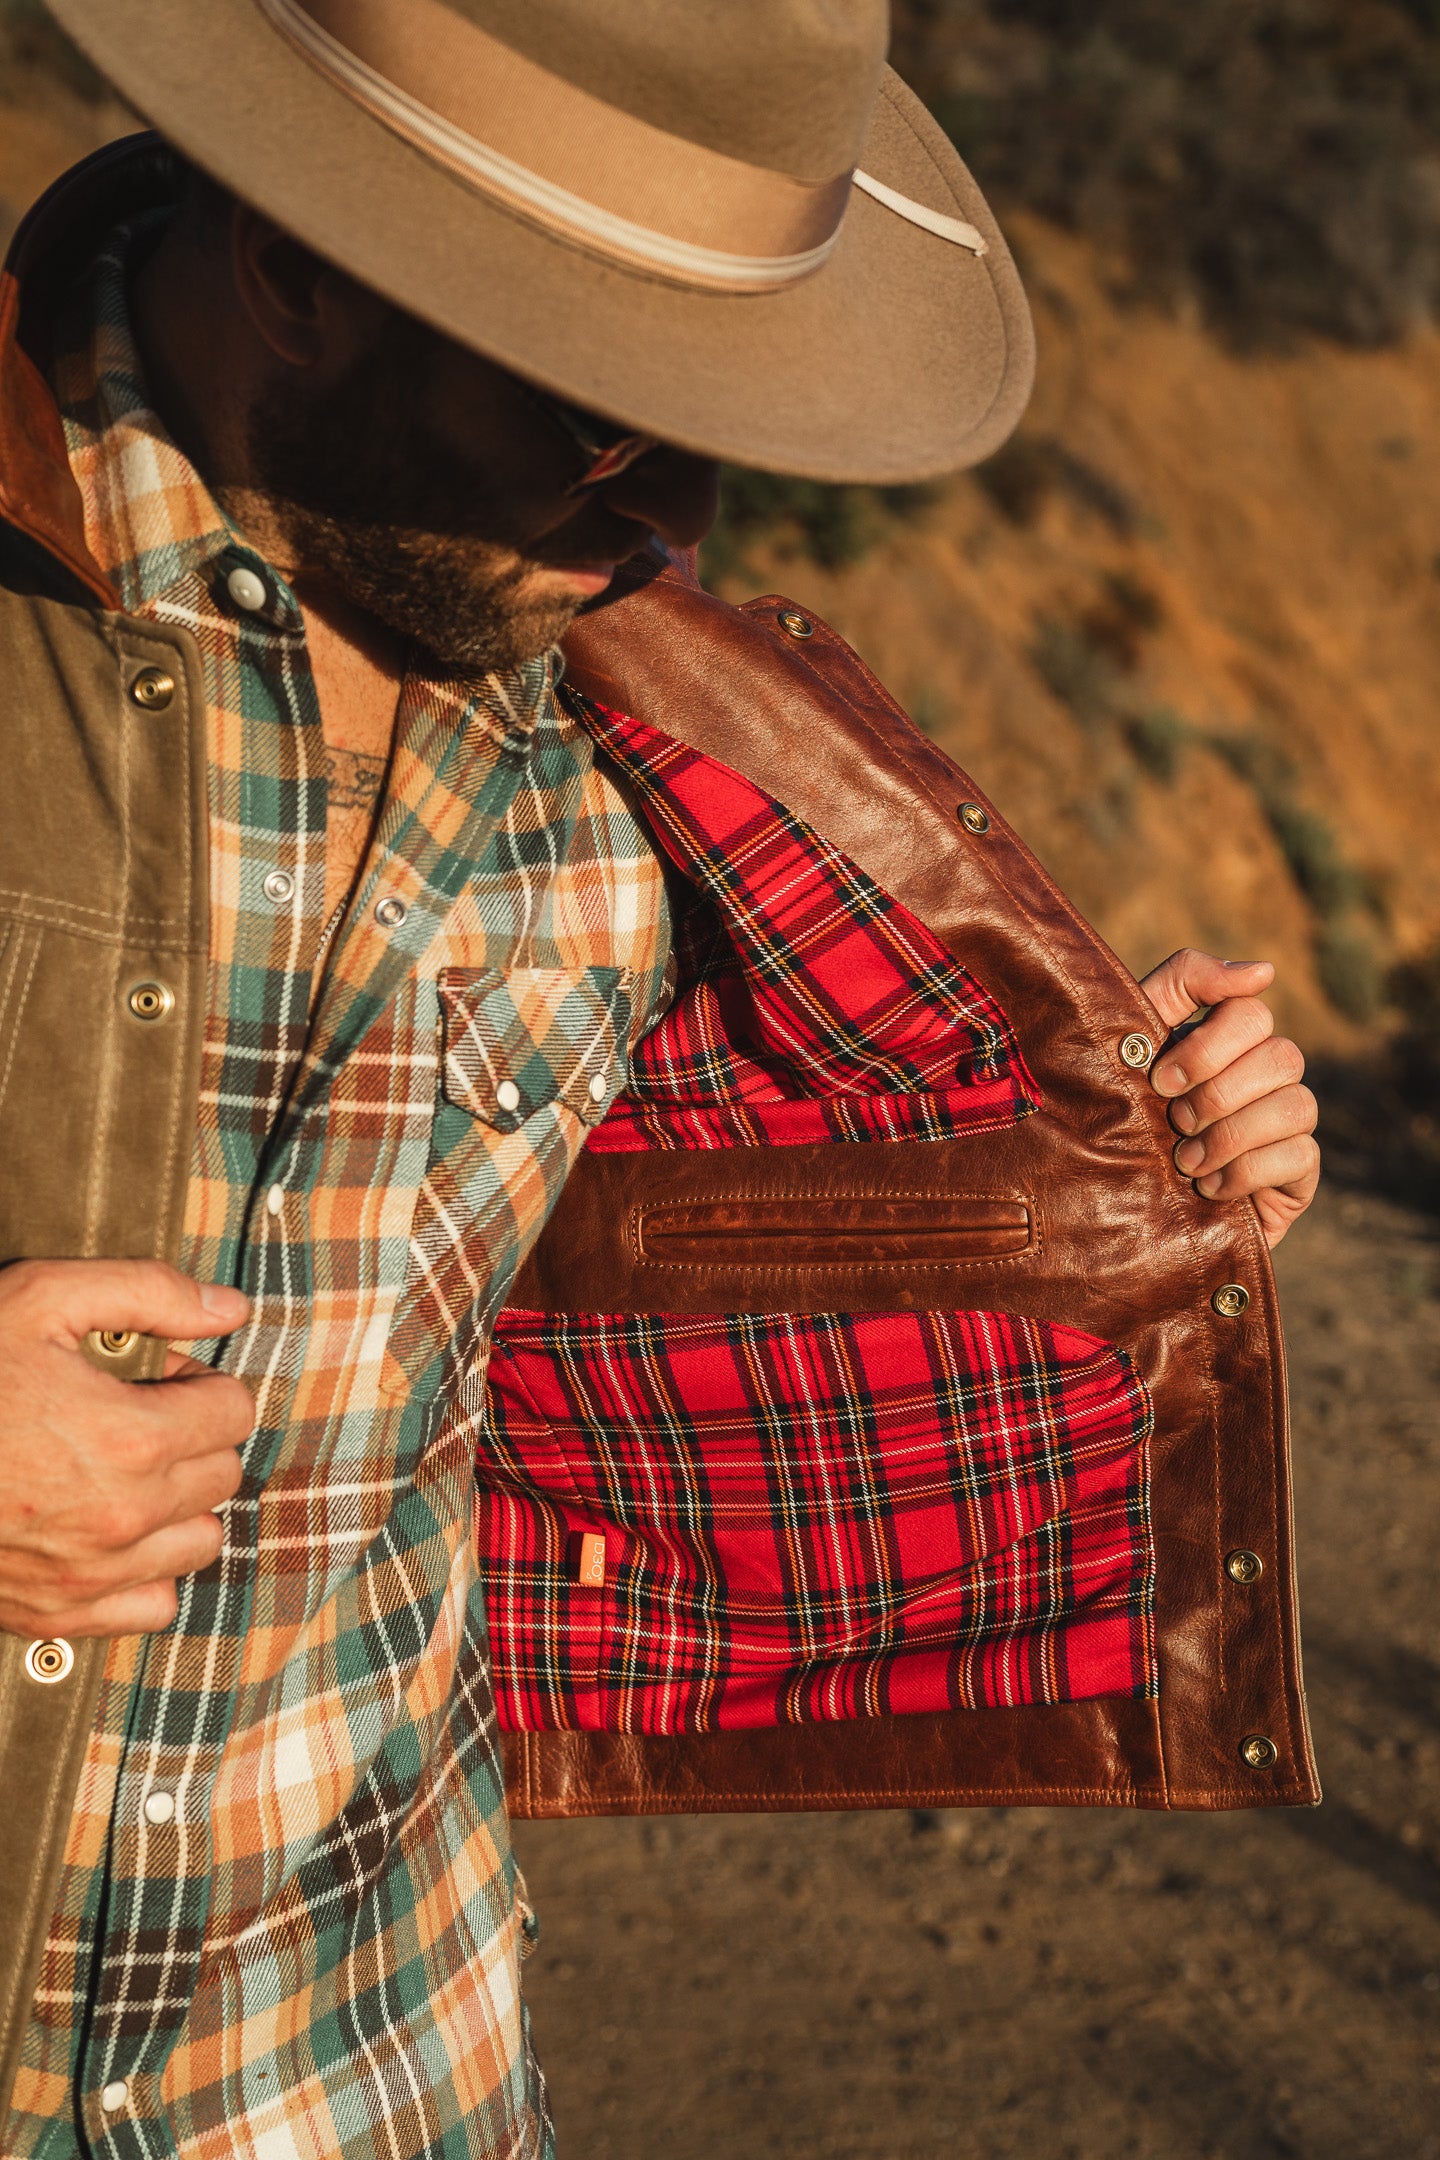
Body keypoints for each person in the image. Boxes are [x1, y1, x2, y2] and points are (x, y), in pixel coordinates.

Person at [0, 4, 1320, 2155]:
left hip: (371, 2080)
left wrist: (1144, 1186)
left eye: (722, 432)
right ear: (302, 274)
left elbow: (760, 1251)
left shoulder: (663, 755)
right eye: (604, 423)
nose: (675, 522)